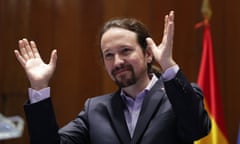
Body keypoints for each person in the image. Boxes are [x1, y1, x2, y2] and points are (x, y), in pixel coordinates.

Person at [14, 11, 211, 144]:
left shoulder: (178, 97)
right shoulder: (95, 110)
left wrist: (168, 65)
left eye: (125, 50)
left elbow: (197, 129)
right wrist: (39, 87)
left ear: (148, 54)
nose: (117, 62)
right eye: (109, 55)